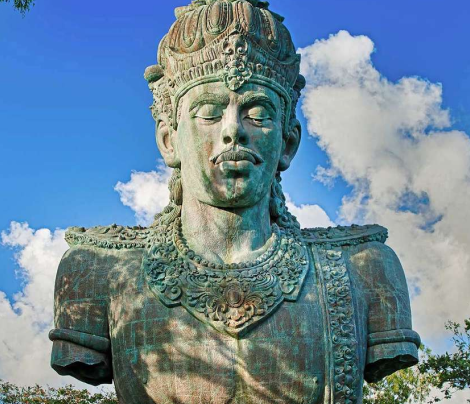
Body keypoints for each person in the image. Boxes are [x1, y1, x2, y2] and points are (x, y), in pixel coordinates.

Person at [50, 1, 421, 403]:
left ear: (288, 143)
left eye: (257, 114)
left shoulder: (363, 270)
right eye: (209, 112)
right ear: (168, 140)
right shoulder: (97, 271)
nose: (233, 131)